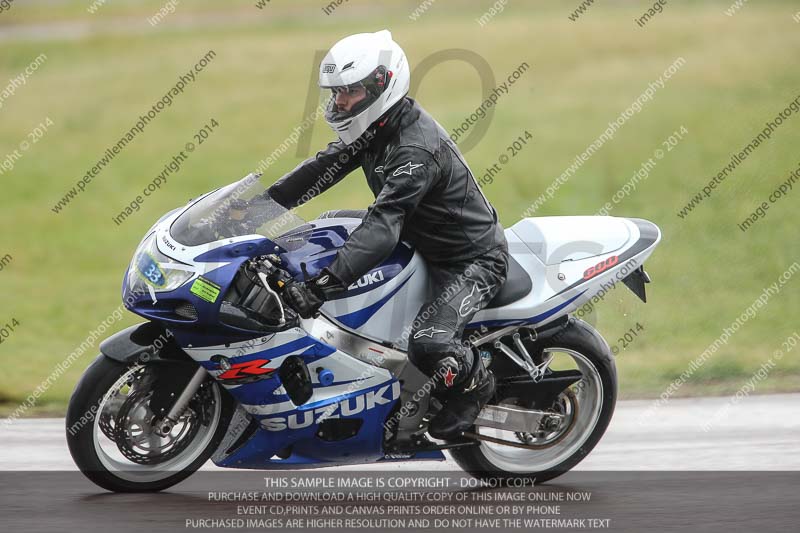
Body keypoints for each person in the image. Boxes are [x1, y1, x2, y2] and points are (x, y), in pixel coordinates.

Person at [269, 30, 509, 439]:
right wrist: (252, 208)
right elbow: (321, 168)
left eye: (350, 91)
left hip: (469, 260)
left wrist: (323, 286)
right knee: (319, 232)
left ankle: (475, 385)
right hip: (417, 242)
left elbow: (383, 224)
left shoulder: (414, 150)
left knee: (430, 344)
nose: (339, 101)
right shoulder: (377, 126)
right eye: (336, 91)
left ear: (382, 85)